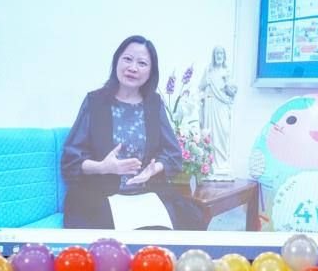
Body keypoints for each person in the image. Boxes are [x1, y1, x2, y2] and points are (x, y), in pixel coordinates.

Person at [62, 35, 205, 230]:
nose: (133, 67)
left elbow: (172, 154)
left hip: (146, 192)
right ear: (117, 61)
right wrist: (103, 167)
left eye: (142, 63)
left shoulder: (153, 104)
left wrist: (153, 169)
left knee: (188, 220)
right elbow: (71, 160)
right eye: (127, 59)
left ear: (151, 71)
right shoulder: (95, 102)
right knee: (109, 232)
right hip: (100, 194)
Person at [199, 46, 237, 179]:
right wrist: (206, 82)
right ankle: (211, 163)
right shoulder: (208, 71)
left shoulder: (227, 72)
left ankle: (223, 163)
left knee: (223, 133)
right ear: (214, 56)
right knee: (211, 134)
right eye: (217, 53)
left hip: (222, 106)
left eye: (221, 53)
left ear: (224, 56)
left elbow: (232, 92)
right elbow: (201, 86)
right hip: (210, 106)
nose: (219, 56)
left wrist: (227, 84)